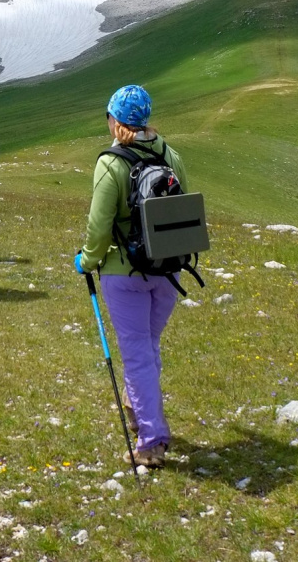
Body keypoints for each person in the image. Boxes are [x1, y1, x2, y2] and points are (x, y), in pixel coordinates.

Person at [74, 84, 184, 469]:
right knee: (148, 346)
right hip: (168, 269)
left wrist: (86, 261)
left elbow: (100, 223)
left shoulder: (111, 162)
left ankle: (151, 440)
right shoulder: (170, 154)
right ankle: (138, 406)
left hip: (124, 272)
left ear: (114, 120)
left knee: (137, 354)